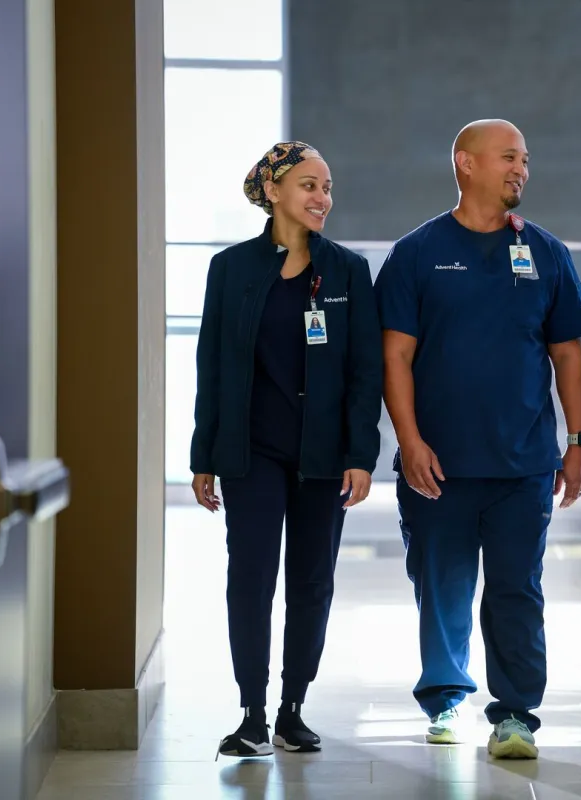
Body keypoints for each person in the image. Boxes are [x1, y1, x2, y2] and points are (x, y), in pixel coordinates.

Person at [374, 119, 581, 759]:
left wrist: (578, 442)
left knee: (516, 589)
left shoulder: (546, 252)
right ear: (465, 164)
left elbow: (569, 356)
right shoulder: (417, 252)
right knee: (440, 585)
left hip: (523, 464)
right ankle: (445, 701)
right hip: (436, 464)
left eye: (525, 158)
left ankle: (517, 714)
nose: (520, 169)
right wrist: (409, 440)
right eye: (507, 158)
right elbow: (395, 357)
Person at [189, 141, 384, 757]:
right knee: (249, 578)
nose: (322, 197)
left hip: (323, 455)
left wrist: (361, 453)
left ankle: (292, 709)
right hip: (251, 452)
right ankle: (250, 712)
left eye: (327, 187)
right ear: (272, 191)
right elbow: (212, 367)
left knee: (312, 580)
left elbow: (364, 371)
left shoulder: (349, 271)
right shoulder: (231, 269)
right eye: (308, 185)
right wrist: (203, 454)